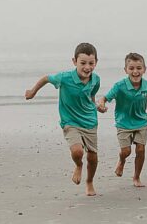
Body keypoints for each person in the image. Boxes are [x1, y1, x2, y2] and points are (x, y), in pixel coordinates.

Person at [24, 42, 101, 197]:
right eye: (83, 63)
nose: (87, 67)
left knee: (93, 157)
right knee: (78, 151)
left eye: (91, 63)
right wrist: (32, 92)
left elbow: (91, 95)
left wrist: (96, 106)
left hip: (90, 121)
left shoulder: (96, 79)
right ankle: (78, 165)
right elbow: (46, 78)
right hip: (70, 121)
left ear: (96, 63)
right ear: (74, 62)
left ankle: (89, 182)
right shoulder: (64, 78)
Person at [97, 53, 147, 187]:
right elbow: (104, 98)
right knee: (126, 151)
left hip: (141, 122)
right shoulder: (119, 86)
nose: (135, 71)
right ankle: (121, 160)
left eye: (139, 68)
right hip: (123, 123)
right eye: (131, 68)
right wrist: (102, 104)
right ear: (125, 70)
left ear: (144, 69)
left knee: (140, 150)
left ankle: (136, 177)